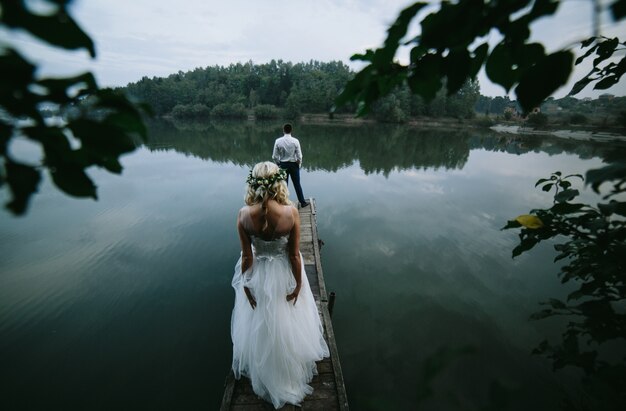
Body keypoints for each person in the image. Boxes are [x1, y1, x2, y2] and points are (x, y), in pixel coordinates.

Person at [230, 162, 329, 409]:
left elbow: (246, 257)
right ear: (279, 183)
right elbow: (295, 256)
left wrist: (246, 284)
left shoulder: (243, 214)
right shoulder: (291, 212)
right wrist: (297, 285)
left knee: (262, 320)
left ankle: (267, 369)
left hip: (260, 275)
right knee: (288, 319)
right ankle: (288, 369)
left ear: (252, 183)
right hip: (283, 272)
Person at [272, 123, 309, 208]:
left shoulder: (278, 141)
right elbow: (300, 156)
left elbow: (274, 156)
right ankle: (302, 202)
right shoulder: (295, 141)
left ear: (283, 130)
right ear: (291, 130)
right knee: (297, 184)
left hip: (283, 165)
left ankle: (283, 203)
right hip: (293, 164)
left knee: (283, 185)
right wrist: (298, 164)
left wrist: (278, 164)